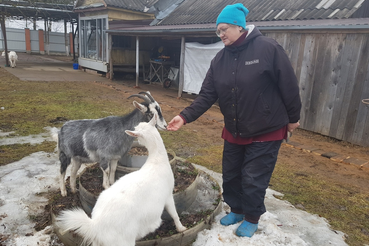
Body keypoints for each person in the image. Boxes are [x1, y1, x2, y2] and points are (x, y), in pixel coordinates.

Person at [167, 3, 302, 238]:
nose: (221, 35)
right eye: (217, 31)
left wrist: (293, 118)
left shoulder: (268, 48)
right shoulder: (219, 60)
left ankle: (251, 217)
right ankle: (237, 209)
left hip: (266, 128)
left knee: (253, 177)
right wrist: (184, 117)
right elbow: (207, 95)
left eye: (224, 29)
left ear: (239, 27)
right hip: (235, 129)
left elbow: (288, 85)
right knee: (231, 174)